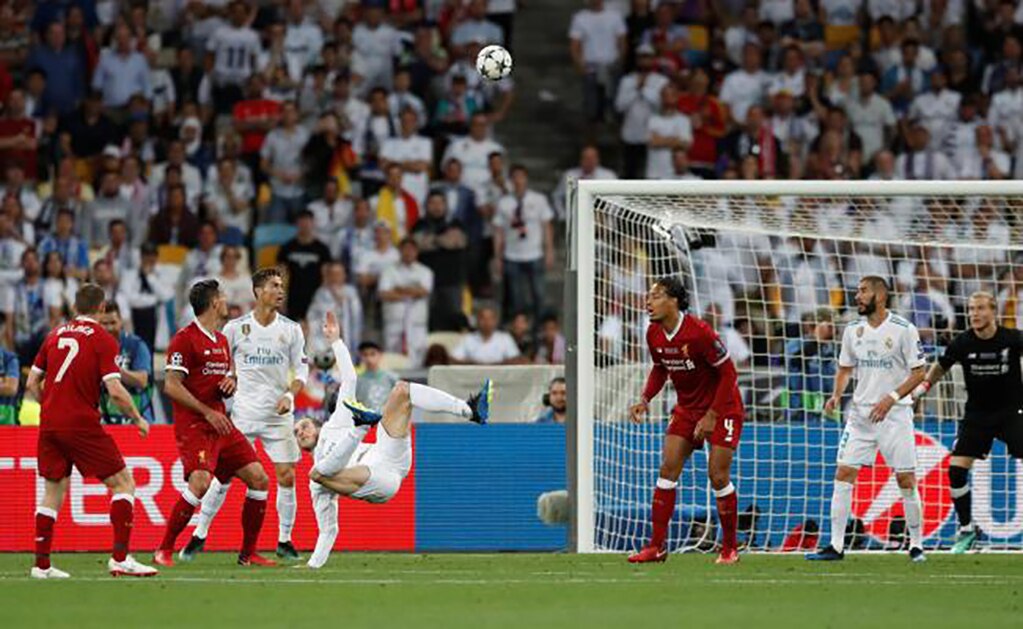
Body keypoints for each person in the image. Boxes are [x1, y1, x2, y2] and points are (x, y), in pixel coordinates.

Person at [294, 311, 491, 568]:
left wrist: (336, 341)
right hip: (378, 481)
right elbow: (328, 530)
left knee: (401, 390)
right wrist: (312, 567)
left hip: (389, 456)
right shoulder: (317, 479)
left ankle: (470, 410)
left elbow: (350, 378)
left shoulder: (335, 423)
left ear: (317, 423)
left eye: (304, 425)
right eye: (297, 433)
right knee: (317, 476)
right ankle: (362, 427)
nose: (301, 432)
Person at [25, 284, 156, 578]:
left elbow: (31, 383)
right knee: (124, 484)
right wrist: (137, 418)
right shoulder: (102, 339)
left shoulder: (54, 334)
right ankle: (120, 558)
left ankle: (41, 565)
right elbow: (115, 390)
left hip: (50, 424)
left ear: (74, 307)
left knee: (53, 491)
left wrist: (53, 406)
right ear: (101, 308)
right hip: (81, 423)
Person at [181, 269, 309, 562]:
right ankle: (199, 534)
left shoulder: (291, 329)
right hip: (243, 414)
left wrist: (290, 396)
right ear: (258, 291)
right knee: (223, 476)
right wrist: (230, 379)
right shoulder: (235, 328)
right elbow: (224, 366)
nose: (281, 291)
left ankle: (285, 540)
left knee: (287, 475)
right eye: (274, 286)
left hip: (278, 415)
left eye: (282, 286)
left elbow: (301, 370)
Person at [153, 280, 275, 568]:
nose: (227, 301)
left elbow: (215, 381)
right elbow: (171, 385)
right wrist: (207, 412)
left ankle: (248, 554)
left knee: (259, 478)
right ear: (213, 303)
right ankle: (163, 549)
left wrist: (229, 384)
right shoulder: (184, 339)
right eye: (222, 297)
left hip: (221, 424)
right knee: (200, 482)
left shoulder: (220, 340)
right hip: (195, 426)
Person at [807, 276, 927, 562]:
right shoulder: (852, 330)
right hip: (861, 416)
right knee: (843, 473)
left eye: (863, 291)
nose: (857, 296)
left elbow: (919, 373)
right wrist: (836, 395)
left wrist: (891, 398)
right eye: (857, 291)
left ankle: (916, 545)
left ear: (880, 296)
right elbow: (845, 368)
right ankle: (836, 546)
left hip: (895, 416)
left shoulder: (904, 329)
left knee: (906, 479)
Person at [628, 277, 744, 565]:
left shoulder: (700, 332)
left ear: (674, 301)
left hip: (723, 407)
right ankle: (656, 547)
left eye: (656, 296)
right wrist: (645, 399)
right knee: (667, 469)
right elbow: (660, 368)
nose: (648, 302)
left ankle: (729, 548)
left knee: (718, 475)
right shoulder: (653, 333)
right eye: (648, 296)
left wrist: (712, 415)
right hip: (687, 408)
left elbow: (729, 374)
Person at [914, 292, 1023, 554]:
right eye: (972, 308)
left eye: (980, 308)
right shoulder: (963, 343)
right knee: (956, 471)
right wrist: (923, 388)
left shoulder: (1012, 338)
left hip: (1012, 412)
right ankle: (967, 530)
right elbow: (942, 365)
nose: (974, 313)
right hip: (978, 415)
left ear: (993, 312)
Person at [98, 301, 154, 427]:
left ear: (121, 322)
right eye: (104, 324)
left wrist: (112, 370)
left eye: (113, 323)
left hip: (137, 416)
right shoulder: (93, 348)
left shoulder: (136, 345)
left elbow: (142, 380)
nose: (109, 328)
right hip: (104, 417)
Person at [378, 237, 433, 366]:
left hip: (417, 322)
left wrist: (398, 289)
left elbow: (424, 292)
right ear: (400, 251)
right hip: (394, 321)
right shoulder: (389, 271)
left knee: (418, 354)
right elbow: (384, 294)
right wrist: (412, 292)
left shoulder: (425, 271)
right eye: (405, 249)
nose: (408, 253)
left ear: (417, 251)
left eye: (411, 249)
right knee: (392, 354)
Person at [277, 210, 331, 320]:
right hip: (293, 296)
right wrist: (281, 298)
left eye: (307, 222)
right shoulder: (287, 248)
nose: (305, 225)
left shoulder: (322, 249)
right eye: (302, 222)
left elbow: (326, 277)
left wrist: (324, 299)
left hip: (315, 297)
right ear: (297, 224)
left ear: (313, 223)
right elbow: (280, 275)